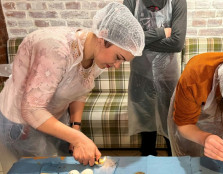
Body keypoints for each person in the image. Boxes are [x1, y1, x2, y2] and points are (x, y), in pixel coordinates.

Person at [0, 2, 144, 173]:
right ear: (102, 38)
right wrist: (79, 138)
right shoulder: (56, 49)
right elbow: (32, 109)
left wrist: (74, 128)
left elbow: (78, 90)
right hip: (21, 125)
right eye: (118, 57)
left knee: (61, 167)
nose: (118, 65)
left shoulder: (97, 58)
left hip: (55, 119)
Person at [123, 0, 187, 156]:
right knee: (145, 123)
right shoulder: (131, 2)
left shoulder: (178, 2)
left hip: (167, 75)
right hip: (140, 74)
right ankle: (148, 161)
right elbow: (126, 39)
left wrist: (140, 41)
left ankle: (173, 163)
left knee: (170, 123)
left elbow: (177, 43)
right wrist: (162, 32)